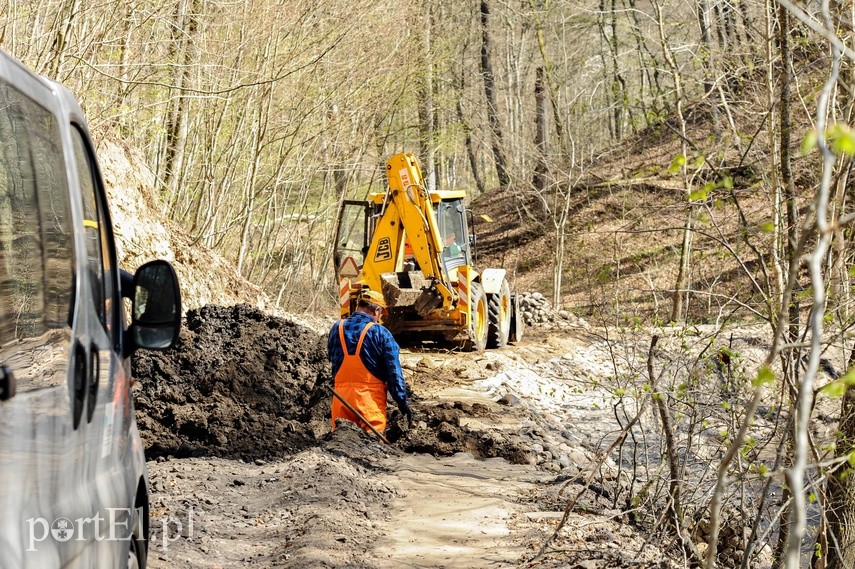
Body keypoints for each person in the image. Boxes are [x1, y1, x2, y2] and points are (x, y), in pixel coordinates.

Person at [328, 289, 413, 433]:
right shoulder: (380, 333)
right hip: (369, 402)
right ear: (376, 310)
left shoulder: (337, 327)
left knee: (340, 439)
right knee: (373, 449)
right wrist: (402, 403)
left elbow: (331, 357)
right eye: (380, 314)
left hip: (341, 399)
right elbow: (394, 372)